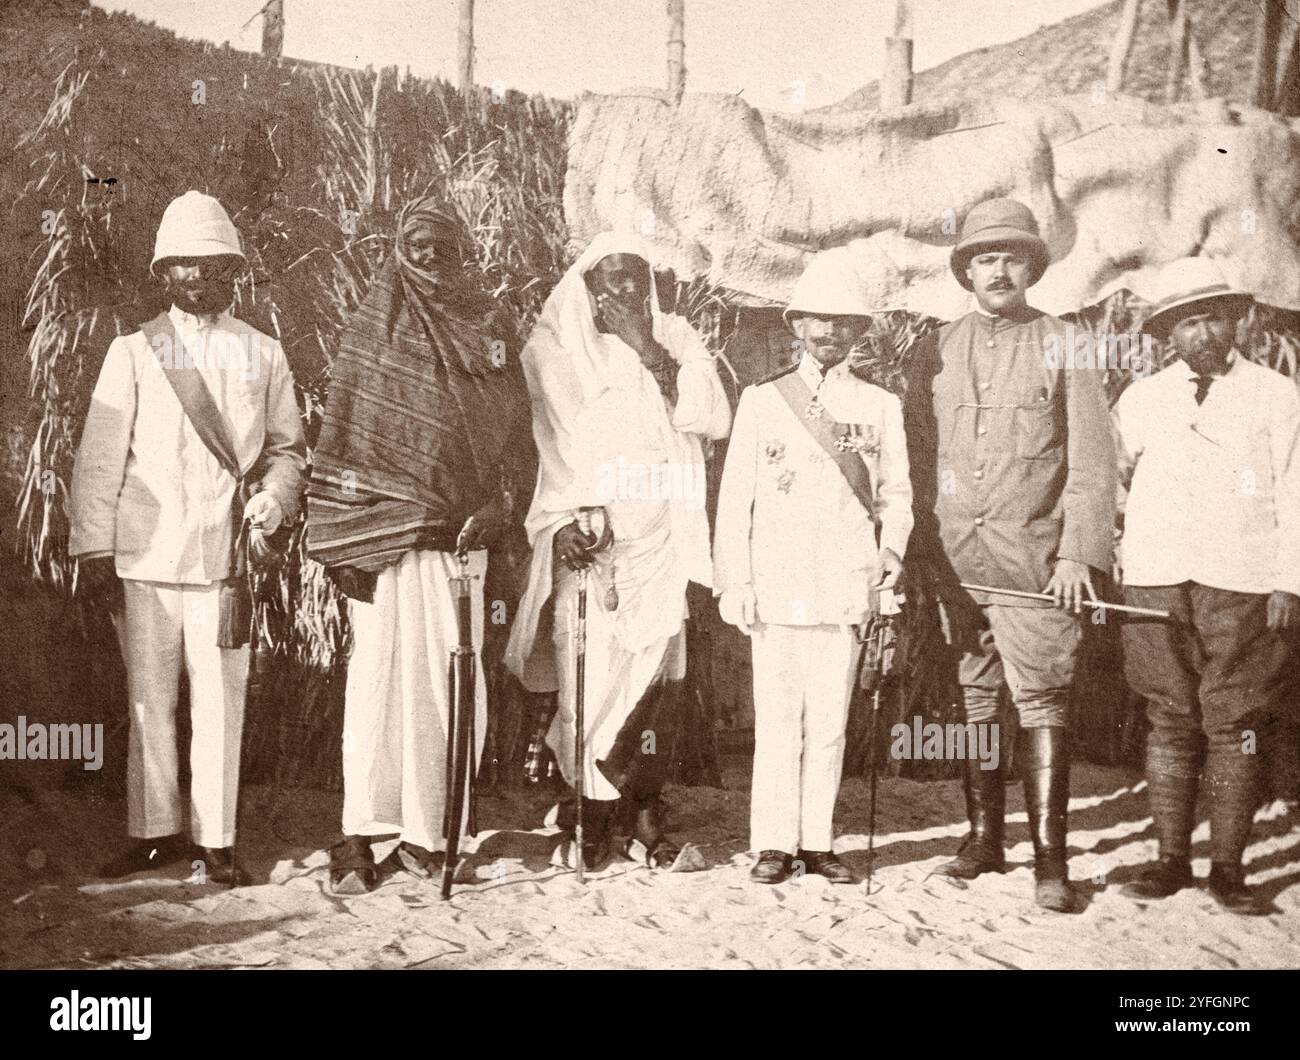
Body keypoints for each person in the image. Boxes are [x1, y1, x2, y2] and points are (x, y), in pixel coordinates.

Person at [70, 190, 306, 886]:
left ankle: (217, 841)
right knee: (149, 700)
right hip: (146, 555)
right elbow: (100, 459)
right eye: (184, 267)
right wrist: (94, 550)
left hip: (226, 558)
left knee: (220, 702)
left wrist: (274, 497)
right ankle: (155, 835)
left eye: (213, 266)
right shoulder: (135, 352)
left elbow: (290, 450)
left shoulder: (263, 354)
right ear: (162, 274)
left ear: (234, 272)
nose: (199, 278)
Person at [307, 199, 534, 894]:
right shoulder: (375, 321)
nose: (432, 256)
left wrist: (501, 510)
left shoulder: (490, 324)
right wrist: (347, 543)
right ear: (401, 249)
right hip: (378, 544)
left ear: (462, 249)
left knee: (448, 686)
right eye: (418, 244)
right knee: (375, 689)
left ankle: (431, 835)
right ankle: (361, 834)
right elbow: (345, 432)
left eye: (444, 245)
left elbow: (521, 435)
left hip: (461, 542)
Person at [904, 197, 1115, 912]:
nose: (998, 270)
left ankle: (1052, 864)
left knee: (1044, 700)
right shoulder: (937, 346)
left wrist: (1078, 556)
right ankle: (983, 841)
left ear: (1033, 268)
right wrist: (926, 558)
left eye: (1012, 258)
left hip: (1036, 563)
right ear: (964, 270)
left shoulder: (1066, 342)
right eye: (984, 258)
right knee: (976, 701)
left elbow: (1091, 463)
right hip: (961, 567)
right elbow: (920, 458)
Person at [505, 232, 731, 870]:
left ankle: (642, 811)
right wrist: (561, 524)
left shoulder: (677, 336)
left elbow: (712, 416)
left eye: (636, 275)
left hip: (661, 535)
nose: (626, 288)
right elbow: (543, 449)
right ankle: (586, 812)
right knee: (591, 680)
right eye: (612, 277)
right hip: (591, 543)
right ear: (588, 284)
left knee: (654, 679)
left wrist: (646, 347)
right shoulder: (551, 351)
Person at [713, 247, 912, 885]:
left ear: (859, 331)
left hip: (846, 585)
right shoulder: (763, 400)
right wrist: (735, 581)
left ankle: (818, 841)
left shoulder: (882, 407)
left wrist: (891, 553)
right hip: (778, 584)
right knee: (778, 721)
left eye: (842, 321)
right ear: (796, 325)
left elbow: (898, 496)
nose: (828, 332)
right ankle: (773, 842)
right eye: (816, 320)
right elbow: (733, 502)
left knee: (829, 723)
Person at [1113, 257, 1300, 915]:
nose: (1201, 332)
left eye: (1212, 316)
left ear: (1236, 318)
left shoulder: (1277, 395)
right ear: (1168, 331)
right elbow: (1109, 477)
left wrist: (1289, 581)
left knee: (1236, 719)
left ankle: (1227, 868)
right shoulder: (1142, 397)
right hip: (1155, 580)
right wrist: (1117, 550)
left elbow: (1295, 488)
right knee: (1168, 716)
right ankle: (1170, 860)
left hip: (1242, 580)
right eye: (1186, 321)